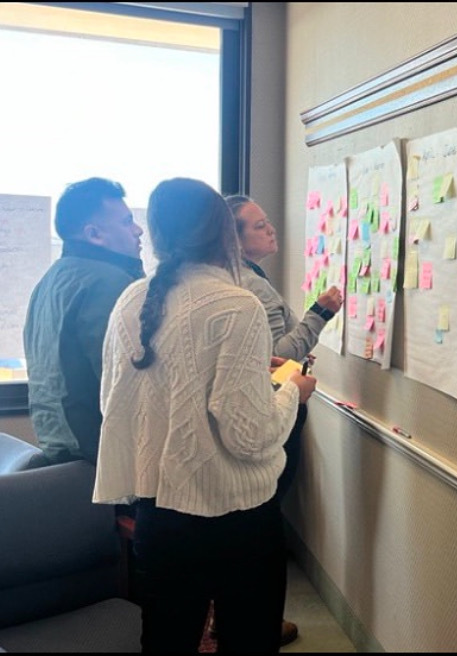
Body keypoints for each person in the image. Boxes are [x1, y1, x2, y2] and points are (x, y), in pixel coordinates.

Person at [93, 178, 316, 653]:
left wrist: (249, 373)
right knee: (248, 640)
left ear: (157, 235)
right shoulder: (238, 305)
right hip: (236, 519)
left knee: (166, 640)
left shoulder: (130, 300)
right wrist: (291, 393)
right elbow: (250, 435)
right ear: (224, 235)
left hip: (158, 515)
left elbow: (117, 405)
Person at [223, 196, 342, 647]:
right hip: (274, 412)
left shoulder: (244, 277)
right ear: (234, 241)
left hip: (268, 409)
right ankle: (255, 624)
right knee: (262, 520)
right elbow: (278, 357)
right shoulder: (250, 287)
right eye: (259, 226)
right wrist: (320, 312)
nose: (271, 230)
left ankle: (241, 618)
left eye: (268, 222)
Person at [24, 177, 144, 464]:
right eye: (127, 222)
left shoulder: (49, 281)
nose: (138, 230)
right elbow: (129, 384)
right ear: (94, 234)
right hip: (102, 456)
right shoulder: (110, 283)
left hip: (59, 448)